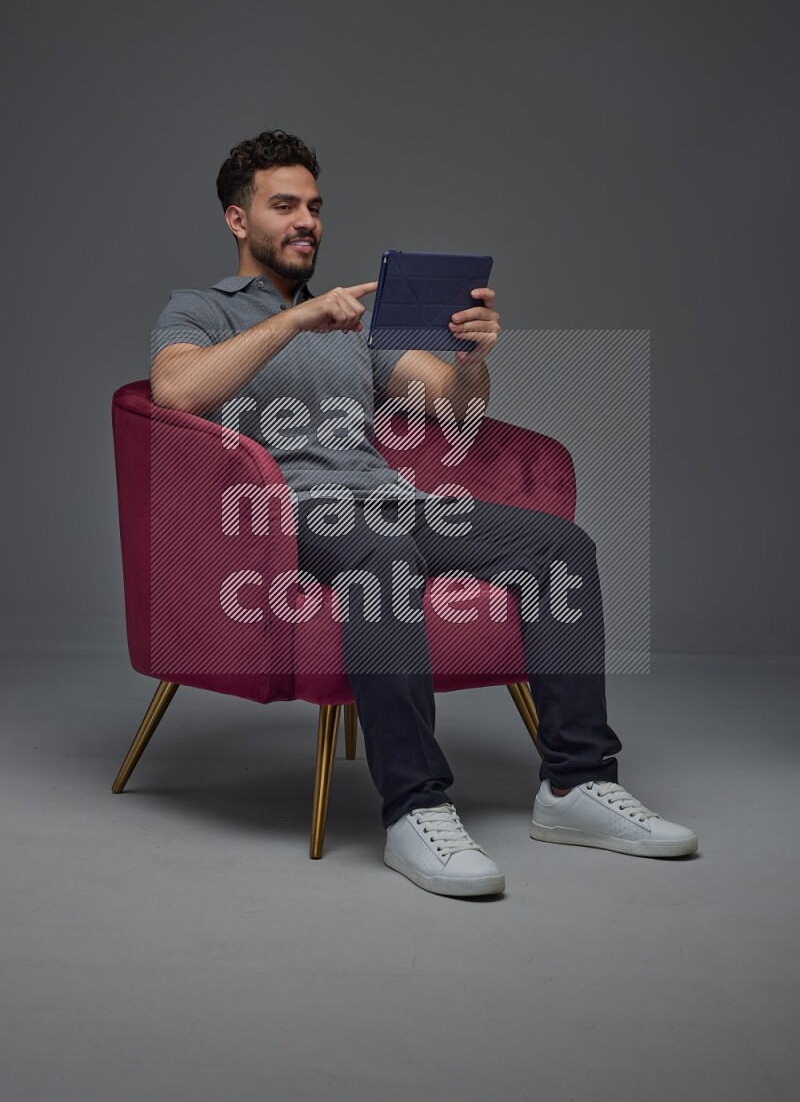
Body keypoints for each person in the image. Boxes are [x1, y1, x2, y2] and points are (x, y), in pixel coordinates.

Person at [150, 128, 698, 898]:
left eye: (314, 206)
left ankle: (575, 786)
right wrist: (290, 322)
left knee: (560, 548)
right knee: (382, 554)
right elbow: (175, 393)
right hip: (287, 516)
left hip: (394, 504)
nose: (306, 220)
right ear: (239, 221)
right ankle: (415, 808)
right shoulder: (200, 309)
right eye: (284, 205)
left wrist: (472, 357)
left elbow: (452, 410)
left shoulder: (353, 325)